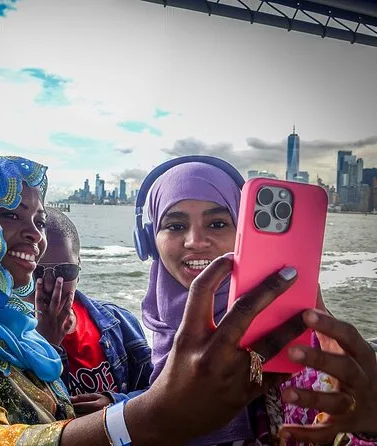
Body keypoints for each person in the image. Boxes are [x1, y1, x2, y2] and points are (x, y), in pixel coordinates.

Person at [0, 155, 373, 446]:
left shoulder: (14, 331)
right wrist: (142, 415)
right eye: (7, 214)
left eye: (38, 220)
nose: (33, 235)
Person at [139, 158, 377, 445]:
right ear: (149, 241)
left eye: (218, 223)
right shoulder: (151, 332)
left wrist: (368, 427)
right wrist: (126, 407)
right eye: (176, 226)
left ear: (243, 232)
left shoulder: (298, 340)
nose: (195, 241)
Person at [28, 208, 152, 412]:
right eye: (37, 271)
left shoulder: (120, 323)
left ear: (79, 267)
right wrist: (46, 345)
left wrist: (116, 405)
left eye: (64, 271)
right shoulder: (5, 338)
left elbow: (158, 392)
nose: (50, 284)